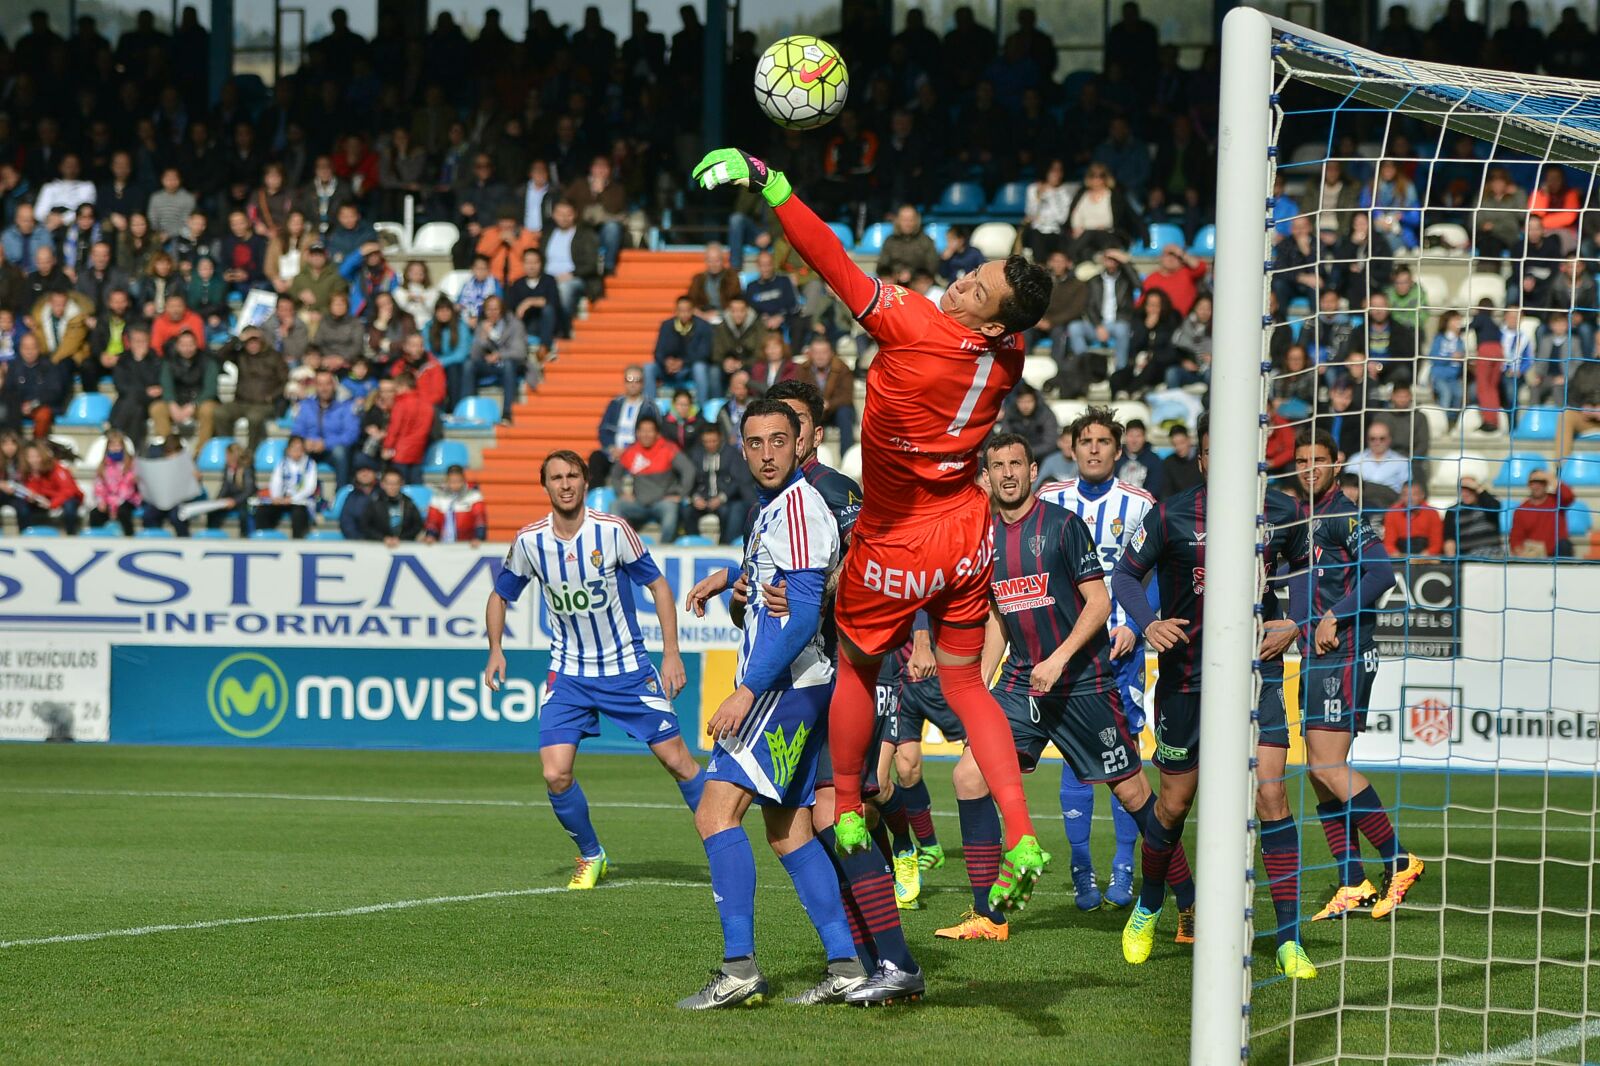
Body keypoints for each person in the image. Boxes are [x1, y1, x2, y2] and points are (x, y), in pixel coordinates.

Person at [694, 146, 1053, 1000]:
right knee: (967, 684)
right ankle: (1022, 830)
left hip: (899, 539)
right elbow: (1010, 311)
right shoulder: (1004, 359)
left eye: (977, 286)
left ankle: (850, 804)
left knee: (855, 680)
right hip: (967, 531)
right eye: (970, 270)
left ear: (992, 321)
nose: (960, 278)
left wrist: (769, 180)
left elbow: (830, 261)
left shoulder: (918, 327)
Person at [936, 433, 1169, 944]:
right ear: (988, 475)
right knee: (968, 776)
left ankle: (1189, 903)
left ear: (1033, 469)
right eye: (997, 466)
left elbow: (1099, 603)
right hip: (1022, 683)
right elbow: (997, 615)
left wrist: (1059, 659)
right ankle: (988, 916)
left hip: (1082, 681)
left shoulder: (1063, 525)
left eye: (1015, 464)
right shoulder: (983, 538)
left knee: (1135, 794)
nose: (1008, 474)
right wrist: (978, 687)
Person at [1109, 419, 1320, 977]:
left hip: (1256, 680)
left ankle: (1289, 939)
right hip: (1185, 683)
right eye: (1209, 453)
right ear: (1201, 459)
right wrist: (1148, 622)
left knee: (1271, 799)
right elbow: (1125, 576)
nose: (1219, 461)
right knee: (1174, 804)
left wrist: (1293, 619)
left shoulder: (1281, 510)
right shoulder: (1171, 512)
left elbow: (1307, 566)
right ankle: (1151, 903)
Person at [679, 400, 867, 1008]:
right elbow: (774, 589)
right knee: (790, 833)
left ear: (799, 445)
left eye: (777, 441)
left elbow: (805, 611)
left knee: (714, 814)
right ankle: (847, 965)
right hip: (800, 684)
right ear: (742, 448)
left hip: (784, 689)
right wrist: (723, 577)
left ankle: (739, 970)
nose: (766, 453)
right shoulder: (775, 507)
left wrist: (746, 690)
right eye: (755, 442)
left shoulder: (799, 505)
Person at [486, 450, 704, 893]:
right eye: (556, 478)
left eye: (572, 476)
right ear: (544, 486)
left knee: (679, 762)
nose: (565, 484)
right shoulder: (530, 542)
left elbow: (658, 586)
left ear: (585, 482)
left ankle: (721, 844)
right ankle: (591, 854)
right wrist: (495, 649)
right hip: (568, 673)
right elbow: (500, 595)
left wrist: (671, 652)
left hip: (627, 669)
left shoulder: (613, 530)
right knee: (554, 773)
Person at [1281, 430, 1422, 923]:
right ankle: (1351, 881)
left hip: (1345, 651)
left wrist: (1334, 615)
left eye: (1318, 459)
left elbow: (1381, 573)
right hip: (1315, 656)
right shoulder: (1300, 517)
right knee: (1320, 775)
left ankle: (1399, 861)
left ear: (1337, 464)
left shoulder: (1344, 514)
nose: (1309, 467)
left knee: (1325, 766)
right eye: (1302, 459)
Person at [1036, 407, 1158, 910]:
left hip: (1119, 651)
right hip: (1063, 653)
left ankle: (1125, 867)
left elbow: (1157, 570)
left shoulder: (1141, 504)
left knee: (1121, 755)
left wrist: (1134, 624)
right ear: (1071, 446)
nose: (1092, 449)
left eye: (1102, 441)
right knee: (1073, 755)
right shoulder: (1049, 499)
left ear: (1118, 448)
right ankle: (1082, 865)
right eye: (1084, 440)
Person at [609, 415, 694, 542]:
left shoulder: (668, 448)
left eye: (650, 431)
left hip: (662, 503)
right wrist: (621, 493)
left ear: (657, 433)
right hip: (638, 504)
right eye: (642, 431)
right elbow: (615, 475)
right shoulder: (631, 451)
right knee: (615, 506)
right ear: (637, 433)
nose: (646, 434)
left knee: (670, 510)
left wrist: (681, 494)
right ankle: (624, 547)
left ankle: (664, 550)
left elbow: (689, 470)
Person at [202, 328, 287, 453]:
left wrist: (272, 396)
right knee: (220, 413)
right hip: (241, 402)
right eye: (249, 341)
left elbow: (285, 381)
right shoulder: (241, 355)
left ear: (261, 341)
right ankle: (230, 450)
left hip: (264, 404)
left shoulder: (274, 356)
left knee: (254, 418)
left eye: (255, 341)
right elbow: (218, 356)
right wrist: (238, 339)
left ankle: (250, 453)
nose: (252, 345)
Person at [682, 422, 751, 544]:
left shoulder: (731, 454)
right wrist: (695, 497)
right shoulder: (696, 454)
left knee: (727, 513)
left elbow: (737, 481)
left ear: (720, 439)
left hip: (724, 499)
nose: (710, 445)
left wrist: (721, 498)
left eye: (713, 441)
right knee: (687, 511)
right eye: (706, 441)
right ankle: (695, 543)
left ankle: (724, 545)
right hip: (703, 498)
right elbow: (690, 479)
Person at [290, 369, 359, 487]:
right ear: (315, 386)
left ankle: (341, 495)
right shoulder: (306, 405)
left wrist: (325, 443)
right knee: (293, 449)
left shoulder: (346, 406)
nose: (324, 388)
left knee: (340, 452)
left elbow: (351, 434)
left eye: (327, 384)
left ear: (334, 385)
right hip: (310, 449)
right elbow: (297, 429)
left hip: (332, 450)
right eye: (320, 384)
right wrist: (304, 442)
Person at [468, 294, 530, 422]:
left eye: (495, 309)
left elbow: (520, 352)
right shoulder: (482, 326)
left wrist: (499, 355)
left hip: (513, 365)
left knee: (508, 365)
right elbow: (474, 355)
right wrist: (483, 337)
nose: (492, 313)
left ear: (502, 310)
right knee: (468, 365)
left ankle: (507, 413)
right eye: (489, 309)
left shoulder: (515, 325)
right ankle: (468, 411)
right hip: (491, 366)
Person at [254, 435, 320, 538]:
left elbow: (310, 488)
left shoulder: (310, 464)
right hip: (282, 500)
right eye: (294, 448)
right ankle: (265, 540)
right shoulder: (282, 463)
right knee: (262, 511)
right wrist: (277, 497)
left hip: (300, 501)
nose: (297, 452)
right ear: (288, 449)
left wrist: (292, 498)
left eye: (300, 449)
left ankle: (297, 542)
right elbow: (275, 482)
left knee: (298, 514)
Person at [650, 295, 713, 401]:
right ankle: (650, 406)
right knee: (649, 368)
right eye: (681, 310)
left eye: (687, 310)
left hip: (690, 368)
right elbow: (658, 352)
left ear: (692, 310)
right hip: (668, 369)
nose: (684, 314)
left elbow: (704, 353)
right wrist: (666, 362)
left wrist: (682, 362)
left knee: (700, 368)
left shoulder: (703, 326)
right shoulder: (666, 326)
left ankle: (703, 407)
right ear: (676, 311)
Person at [803, 336, 855, 455]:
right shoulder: (803, 369)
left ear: (831, 353)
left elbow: (847, 396)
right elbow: (800, 393)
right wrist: (817, 404)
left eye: (824, 352)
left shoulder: (843, 368)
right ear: (810, 354)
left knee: (845, 412)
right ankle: (809, 457)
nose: (820, 356)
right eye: (816, 352)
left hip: (835, 410)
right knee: (807, 415)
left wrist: (830, 404)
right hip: (815, 410)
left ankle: (846, 456)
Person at [1509, 468, 1576, 558]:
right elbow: (1515, 538)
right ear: (1528, 485)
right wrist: (1520, 552)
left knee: (1564, 545)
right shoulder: (1521, 510)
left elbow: (1569, 496)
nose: (1537, 486)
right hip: (1535, 556)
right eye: (1533, 482)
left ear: (1546, 484)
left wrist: (1549, 477)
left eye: (1541, 482)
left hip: (1557, 554)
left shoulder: (1557, 501)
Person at [506, 248, 561, 358]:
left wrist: (529, 302)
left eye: (535, 262)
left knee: (548, 309)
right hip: (526, 325)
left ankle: (544, 346)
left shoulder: (549, 280)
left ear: (540, 263)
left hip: (546, 325)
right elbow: (511, 308)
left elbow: (553, 302)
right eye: (528, 262)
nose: (531, 266)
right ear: (523, 264)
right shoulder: (517, 284)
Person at [382, 371, 435, 484]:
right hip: (418, 451)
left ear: (403, 386)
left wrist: (387, 446)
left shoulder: (401, 404)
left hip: (401, 452)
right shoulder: (427, 404)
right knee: (416, 486)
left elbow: (394, 428)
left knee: (400, 486)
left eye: (397, 388)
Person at [20, 441, 84, 533]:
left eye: (37, 456)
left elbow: (68, 491)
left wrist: (52, 503)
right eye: (30, 457)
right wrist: (32, 496)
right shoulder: (29, 473)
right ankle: (26, 534)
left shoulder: (58, 469)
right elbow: (32, 490)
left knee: (69, 506)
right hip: (45, 499)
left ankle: (71, 535)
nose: (33, 460)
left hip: (65, 498)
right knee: (24, 507)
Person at [13, 333, 66, 439]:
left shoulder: (50, 366)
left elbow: (55, 392)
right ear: (20, 349)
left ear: (39, 348)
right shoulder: (14, 367)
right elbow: (8, 390)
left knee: (44, 414)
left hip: (41, 405)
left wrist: (33, 404)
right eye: (26, 348)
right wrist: (19, 405)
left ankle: (38, 445)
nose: (29, 352)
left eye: (33, 348)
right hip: (18, 406)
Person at [88, 429, 141, 534]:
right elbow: (99, 486)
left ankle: (129, 537)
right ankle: (96, 539)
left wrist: (115, 505)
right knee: (95, 514)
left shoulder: (130, 465)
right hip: (108, 500)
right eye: (112, 446)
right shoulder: (103, 466)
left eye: (118, 445)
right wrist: (101, 501)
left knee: (123, 512)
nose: (115, 449)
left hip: (127, 500)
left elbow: (127, 487)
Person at [357, 466, 425, 545]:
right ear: (382, 484)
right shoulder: (374, 502)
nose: (392, 487)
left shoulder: (409, 503)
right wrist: (382, 538)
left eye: (396, 483)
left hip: (403, 545)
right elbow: (365, 526)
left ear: (401, 484)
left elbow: (418, 525)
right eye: (389, 483)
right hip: (378, 546)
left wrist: (401, 539)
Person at [423, 464, 487, 545]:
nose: (455, 485)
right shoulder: (438, 497)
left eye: (458, 481)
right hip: (442, 543)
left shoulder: (474, 496)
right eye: (452, 482)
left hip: (468, 543)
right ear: (447, 481)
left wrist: (479, 537)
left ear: (464, 480)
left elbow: (480, 519)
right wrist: (430, 535)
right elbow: (432, 520)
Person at [1442, 475, 1503, 558]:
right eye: (1462, 489)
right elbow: (1449, 539)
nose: (1465, 493)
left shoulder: (1488, 503)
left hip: (1493, 555)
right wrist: (1451, 560)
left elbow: (1495, 508)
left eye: (1469, 489)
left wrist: (1478, 487)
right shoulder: (1452, 511)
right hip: (1468, 558)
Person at [1347, 421, 1411, 500]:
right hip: (1361, 504)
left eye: (1382, 439)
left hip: (1389, 505)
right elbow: (1347, 487)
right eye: (1372, 439)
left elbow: (1407, 490)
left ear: (1389, 439)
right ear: (1367, 439)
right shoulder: (1355, 460)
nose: (1377, 442)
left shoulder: (1402, 462)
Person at [1382, 481, 1443, 557]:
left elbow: (1436, 544)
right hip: (1400, 556)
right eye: (1406, 495)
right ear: (1401, 496)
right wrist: (1399, 556)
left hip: (1426, 557)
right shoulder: (1392, 512)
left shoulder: (1432, 513)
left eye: (1414, 494)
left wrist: (1423, 557)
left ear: (1422, 495)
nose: (1410, 498)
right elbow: (1389, 543)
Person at [209, 441, 256, 534]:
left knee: (244, 515)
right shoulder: (228, 468)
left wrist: (235, 501)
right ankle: (212, 535)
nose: (225, 457)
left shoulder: (247, 468)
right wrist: (218, 500)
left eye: (227, 455)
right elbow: (225, 486)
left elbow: (249, 491)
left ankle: (244, 537)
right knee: (213, 512)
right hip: (231, 499)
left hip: (244, 500)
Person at [1115, 418, 1168, 499]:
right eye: (1131, 435)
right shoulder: (1115, 457)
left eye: (1138, 436)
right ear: (1125, 437)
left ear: (1144, 437)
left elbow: (1155, 489)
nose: (1134, 440)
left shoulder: (1154, 460)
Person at [1162, 425, 1203, 493]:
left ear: (1189, 440)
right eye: (1175, 444)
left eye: (1182, 443)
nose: (1179, 448)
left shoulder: (1202, 457)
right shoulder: (1169, 462)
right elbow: (1166, 491)